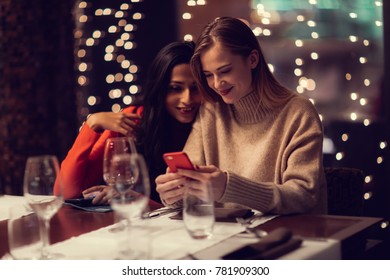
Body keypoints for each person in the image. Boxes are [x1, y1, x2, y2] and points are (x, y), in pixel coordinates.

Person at [155, 17, 327, 215]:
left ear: (253, 59)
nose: (217, 84)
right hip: (227, 236)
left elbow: (303, 196)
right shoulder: (212, 111)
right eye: (209, 75)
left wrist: (229, 187)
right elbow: (195, 188)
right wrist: (176, 193)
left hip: (288, 237)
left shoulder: (298, 112)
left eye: (225, 71)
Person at [55, 41, 202, 205]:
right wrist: (91, 124)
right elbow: (64, 192)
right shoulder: (134, 119)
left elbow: (194, 206)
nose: (187, 99)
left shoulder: (215, 122)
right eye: (175, 88)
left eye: (196, 88)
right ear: (160, 88)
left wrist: (131, 197)